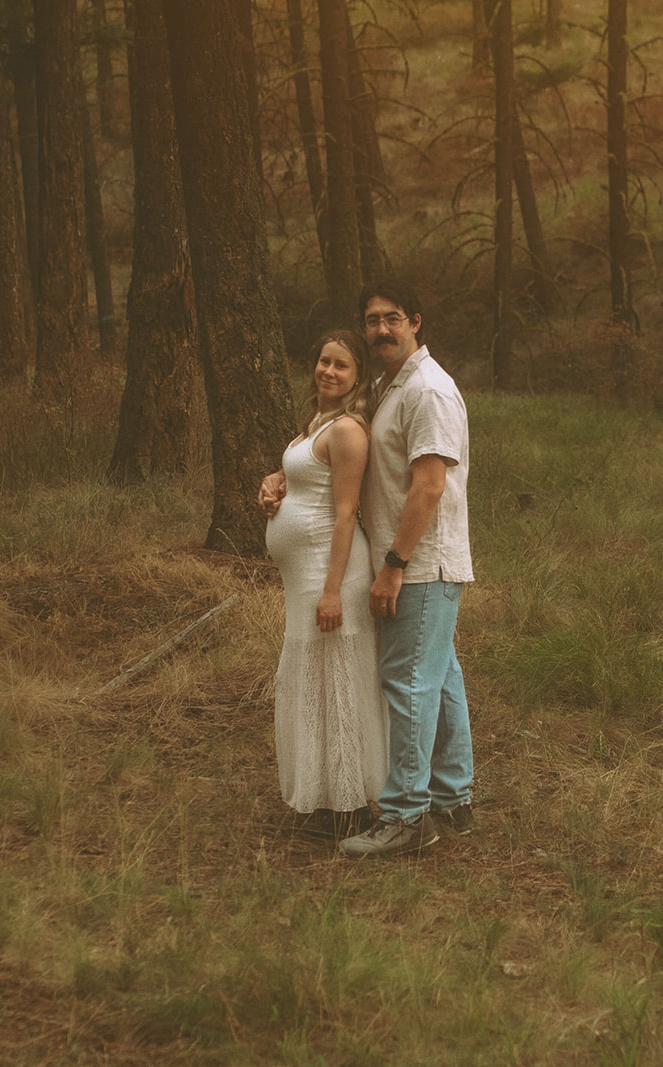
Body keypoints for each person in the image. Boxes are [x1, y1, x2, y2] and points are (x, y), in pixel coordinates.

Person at [267, 282, 475, 859]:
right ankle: (453, 797)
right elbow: (342, 456)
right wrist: (291, 479)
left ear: (416, 321)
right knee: (440, 677)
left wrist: (393, 565)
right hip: (405, 560)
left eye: (392, 320)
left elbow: (430, 485)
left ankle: (408, 817)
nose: (381, 329)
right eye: (372, 320)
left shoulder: (429, 390)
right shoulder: (391, 385)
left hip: (421, 562)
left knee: (407, 683)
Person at [261, 330, 388, 825]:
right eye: (323, 361)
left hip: (330, 575)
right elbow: (307, 478)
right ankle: (327, 796)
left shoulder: (349, 430)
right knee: (315, 681)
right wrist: (275, 483)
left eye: (341, 366)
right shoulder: (318, 422)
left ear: (357, 377)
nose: (328, 372)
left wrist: (333, 590)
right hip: (305, 579)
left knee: (340, 683)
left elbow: (345, 512)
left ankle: (353, 805)